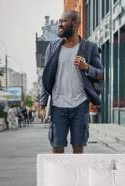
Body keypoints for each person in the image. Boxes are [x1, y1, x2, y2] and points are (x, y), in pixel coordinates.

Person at [39, 10, 104, 154]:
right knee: (57, 147)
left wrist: (86, 67)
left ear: (75, 24)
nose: (59, 25)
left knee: (78, 147)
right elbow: (46, 75)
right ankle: (58, 177)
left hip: (80, 105)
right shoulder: (53, 47)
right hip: (58, 105)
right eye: (59, 21)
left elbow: (101, 74)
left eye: (63, 21)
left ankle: (77, 177)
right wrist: (42, 104)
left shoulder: (89, 48)